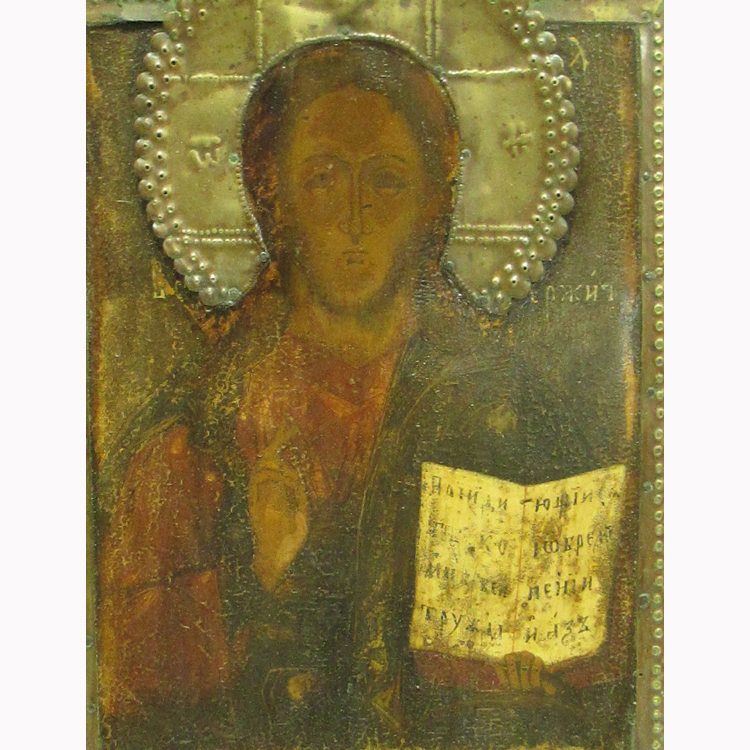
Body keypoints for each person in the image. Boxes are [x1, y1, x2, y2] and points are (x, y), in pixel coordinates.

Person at [98, 38, 633, 750]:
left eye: (386, 180)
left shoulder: (508, 412)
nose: (354, 215)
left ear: (431, 203)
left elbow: (607, 681)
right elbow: (131, 688)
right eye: (323, 178)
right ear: (274, 198)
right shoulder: (202, 432)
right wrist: (257, 570)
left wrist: (540, 693)